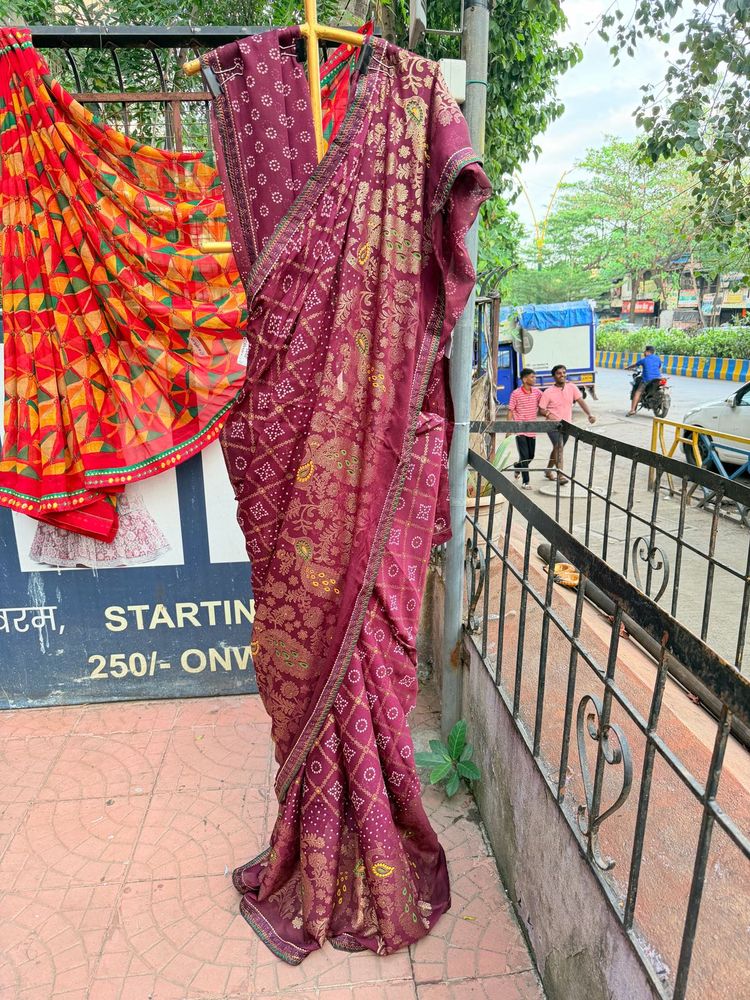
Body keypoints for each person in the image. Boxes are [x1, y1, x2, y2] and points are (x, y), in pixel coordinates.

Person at [539, 364, 596, 480]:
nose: (562, 375)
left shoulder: (572, 387)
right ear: (553, 376)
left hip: (567, 425)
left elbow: (581, 401)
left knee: (557, 448)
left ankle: (548, 470)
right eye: (559, 373)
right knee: (559, 447)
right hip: (552, 425)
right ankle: (560, 475)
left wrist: (589, 414)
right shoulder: (548, 392)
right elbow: (541, 409)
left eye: (564, 373)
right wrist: (549, 415)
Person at [508, 368, 542, 489]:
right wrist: (509, 428)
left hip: (532, 429)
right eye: (532, 377)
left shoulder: (537, 392)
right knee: (525, 456)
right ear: (524, 379)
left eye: (534, 376)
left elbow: (543, 405)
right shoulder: (516, 393)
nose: (534, 379)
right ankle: (525, 482)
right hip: (520, 429)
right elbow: (511, 410)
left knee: (530, 456)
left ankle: (517, 466)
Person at [626, 345, 663, 415]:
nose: (644, 352)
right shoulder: (658, 359)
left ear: (647, 352)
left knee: (638, 392)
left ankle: (632, 410)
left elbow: (635, 365)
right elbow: (659, 367)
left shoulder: (644, 360)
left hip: (647, 379)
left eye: (645, 351)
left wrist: (628, 367)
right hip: (658, 379)